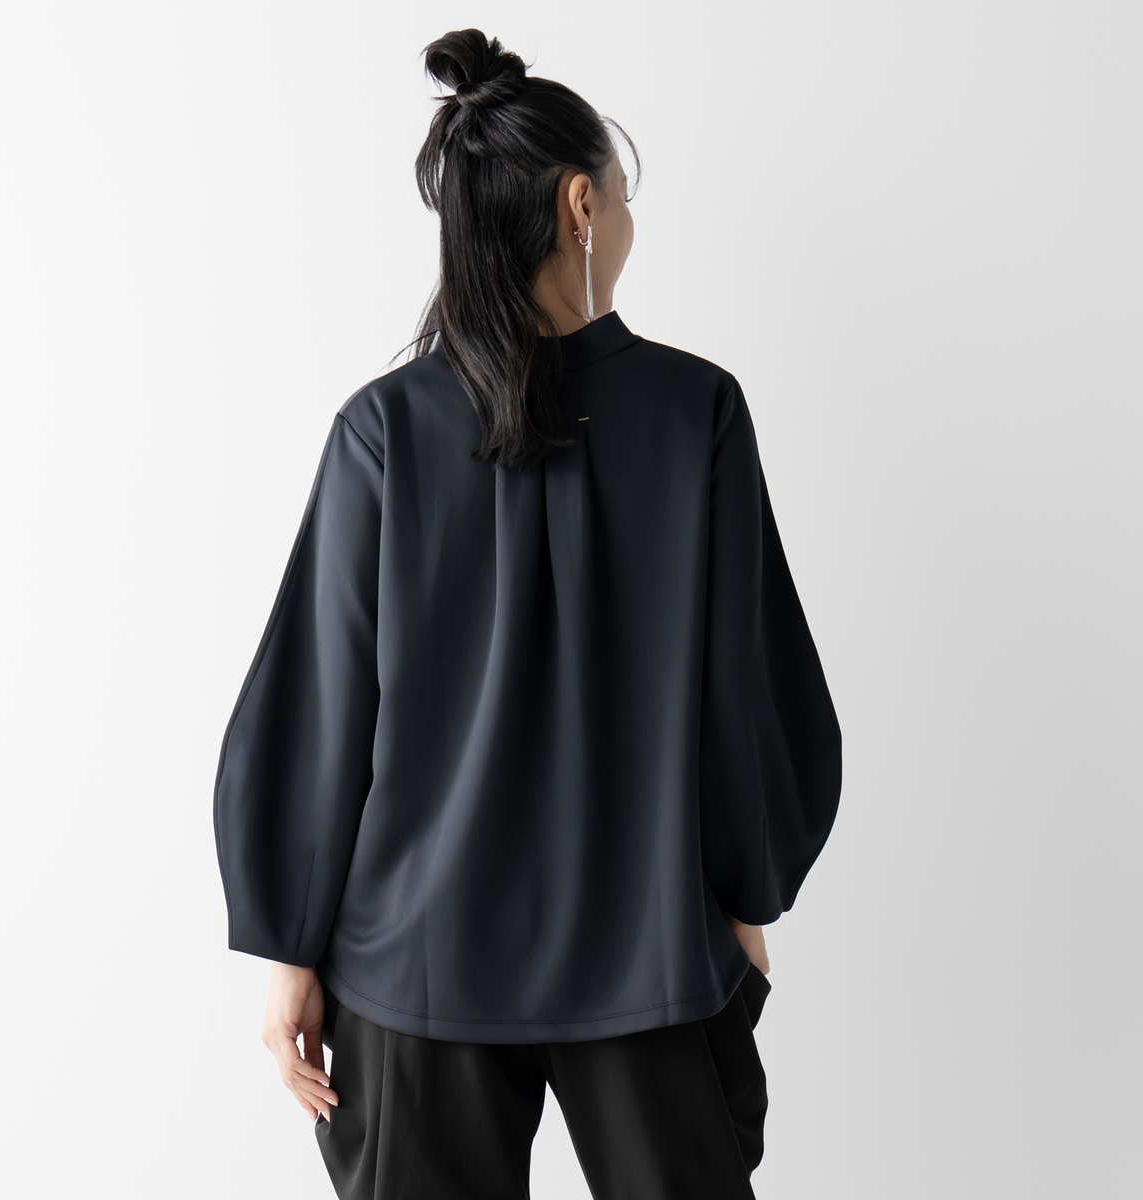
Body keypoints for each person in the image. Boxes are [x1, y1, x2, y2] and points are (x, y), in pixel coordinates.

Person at [213, 28, 842, 1200]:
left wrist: (290, 945)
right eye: (622, 193)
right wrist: (748, 888)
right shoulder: (695, 414)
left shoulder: (384, 430)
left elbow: (321, 702)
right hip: (645, 943)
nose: (628, 217)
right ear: (580, 204)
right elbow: (745, 690)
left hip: (416, 957)